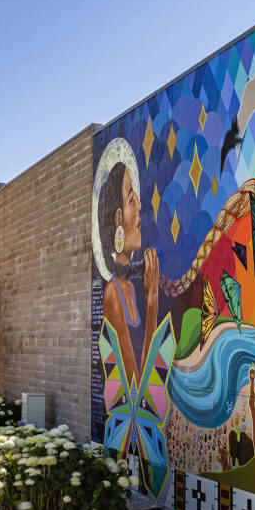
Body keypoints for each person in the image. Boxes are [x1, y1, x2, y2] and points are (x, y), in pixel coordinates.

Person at [97, 162, 159, 386]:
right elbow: (136, 390)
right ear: (118, 218)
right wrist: (152, 305)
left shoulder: (130, 288)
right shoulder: (113, 294)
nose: (140, 204)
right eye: (132, 198)